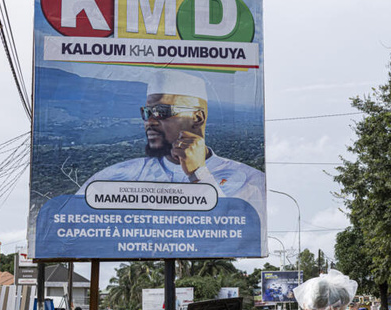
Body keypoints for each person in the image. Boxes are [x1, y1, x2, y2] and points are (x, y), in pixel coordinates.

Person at [77, 71, 265, 222]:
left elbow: (239, 234)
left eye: (161, 112)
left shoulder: (252, 181)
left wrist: (199, 173)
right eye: (147, 112)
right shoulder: (115, 177)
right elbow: (71, 226)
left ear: (197, 118)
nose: (150, 122)